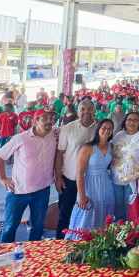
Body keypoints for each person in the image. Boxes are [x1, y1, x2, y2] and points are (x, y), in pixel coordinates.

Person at [0, 110, 57, 243]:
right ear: (35, 121)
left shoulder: (54, 135)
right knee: (10, 226)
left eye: (51, 118)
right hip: (18, 191)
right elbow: (0, 156)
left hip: (42, 190)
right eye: (45, 119)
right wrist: (2, 178)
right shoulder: (21, 138)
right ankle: (5, 255)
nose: (49, 121)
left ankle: (33, 255)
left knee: (38, 226)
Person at [65, 119, 116, 238]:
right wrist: (81, 195)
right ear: (98, 129)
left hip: (106, 185)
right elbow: (79, 173)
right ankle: (81, 244)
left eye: (110, 128)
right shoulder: (88, 148)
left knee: (105, 214)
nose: (106, 130)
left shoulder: (111, 147)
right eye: (104, 127)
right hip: (90, 185)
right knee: (87, 216)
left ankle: (102, 244)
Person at [55, 99, 97, 239]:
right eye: (82, 109)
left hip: (91, 180)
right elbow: (59, 153)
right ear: (78, 111)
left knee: (89, 214)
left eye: (89, 109)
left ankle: (84, 243)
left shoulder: (100, 128)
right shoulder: (68, 128)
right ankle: (60, 245)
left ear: (94, 110)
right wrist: (58, 177)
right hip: (70, 179)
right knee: (65, 214)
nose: (86, 112)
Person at [111, 112, 139, 220]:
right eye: (129, 119)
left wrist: (132, 175)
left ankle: (132, 234)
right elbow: (113, 155)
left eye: (135, 120)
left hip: (134, 181)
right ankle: (118, 233)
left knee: (132, 211)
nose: (131, 122)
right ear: (125, 122)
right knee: (118, 209)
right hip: (116, 179)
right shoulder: (118, 136)